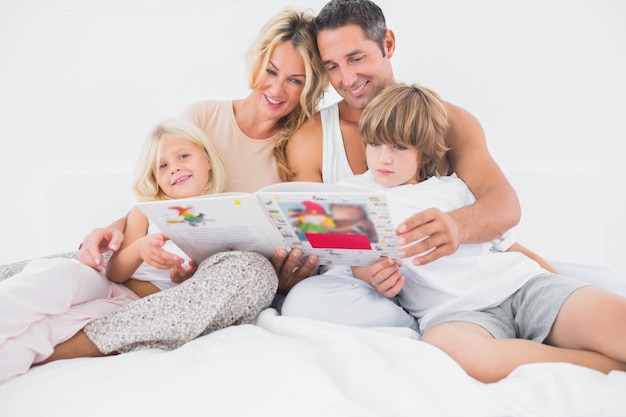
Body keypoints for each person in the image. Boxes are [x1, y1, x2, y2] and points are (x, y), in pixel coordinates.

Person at [44, 6, 328, 363]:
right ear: (257, 63)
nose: (276, 88)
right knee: (56, 271)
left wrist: (290, 272)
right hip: (161, 262)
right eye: (271, 71)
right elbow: (159, 194)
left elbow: (300, 229)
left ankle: (80, 346)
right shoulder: (202, 116)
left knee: (253, 274)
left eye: (295, 80)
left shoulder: (301, 142)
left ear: (310, 86)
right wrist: (115, 229)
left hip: (225, 276)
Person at [281, 0, 561, 324]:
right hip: (368, 291)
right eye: (332, 66)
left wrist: (457, 226)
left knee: (564, 296)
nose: (346, 78)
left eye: (356, 58)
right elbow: (313, 239)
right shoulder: (312, 137)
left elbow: (504, 206)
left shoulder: (450, 121)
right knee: (306, 301)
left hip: (454, 284)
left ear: (388, 43)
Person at [339, 82, 626, 383]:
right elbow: (357, 261)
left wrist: (561, 287)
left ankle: (563, 341)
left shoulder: (454, 189)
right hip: (455, 314)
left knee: (615, 321)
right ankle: (608, 367)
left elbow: (511, 248)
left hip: (521, 287)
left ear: (423, 153)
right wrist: (374, 277)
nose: (384, 158)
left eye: (399, 147)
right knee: (446, 353)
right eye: (375, 144)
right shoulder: (351, 195)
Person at [0, 118, 278, 383]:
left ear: (207, 159)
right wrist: (139, 249)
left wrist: (185, 277)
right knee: (57, 276)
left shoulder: (226, 211)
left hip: (133, 306)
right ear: (155, 178)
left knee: (53, 330)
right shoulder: (145, 212)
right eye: (162, 166)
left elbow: (203, 287)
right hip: (104, 282)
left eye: (183, 157)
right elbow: (116, 273)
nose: (174, 169)